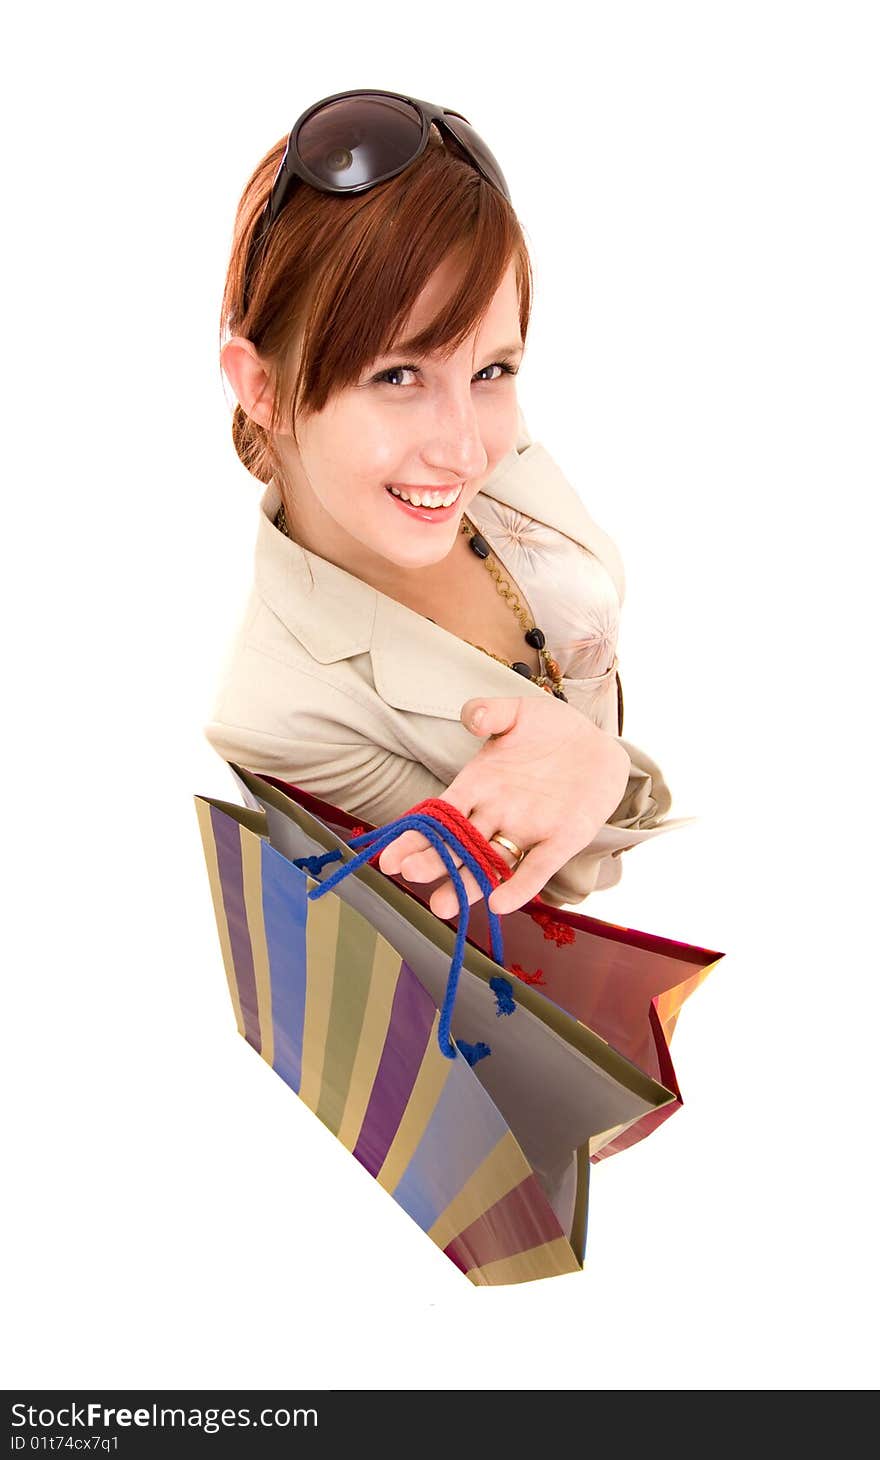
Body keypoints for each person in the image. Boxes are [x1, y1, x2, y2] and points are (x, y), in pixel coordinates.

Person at [205, 89, 691, 917]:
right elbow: (530, 900)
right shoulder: (276, 718)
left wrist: (595, 753)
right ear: (264, 388)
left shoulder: (471, 437)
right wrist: (609, 768)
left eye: (493, 370)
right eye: (398, 376)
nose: (468, 452)